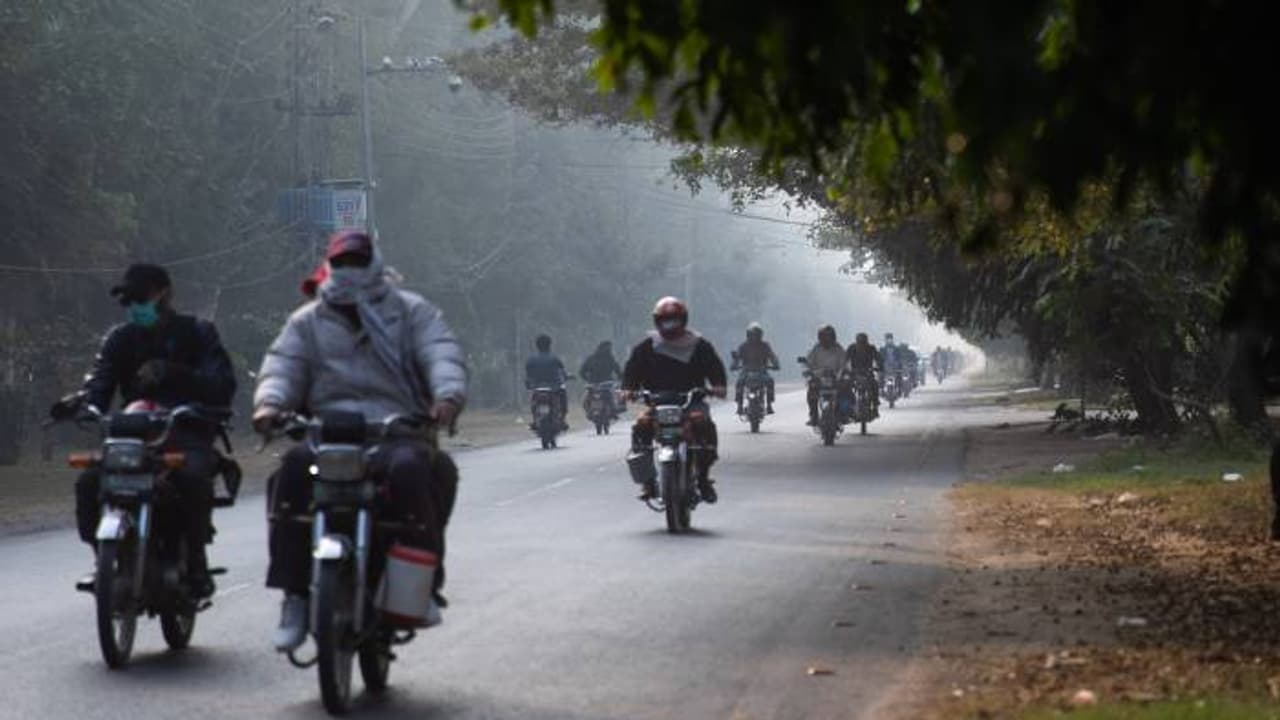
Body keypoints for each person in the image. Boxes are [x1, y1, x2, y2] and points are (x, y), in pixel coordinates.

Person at [253, 230, 466, 652]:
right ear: (331, 266)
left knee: (416, 473)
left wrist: (446, 398)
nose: (349, 271)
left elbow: (440, 353)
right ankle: (294, 595)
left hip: (397, 429)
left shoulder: (411, 312)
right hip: (328, 431)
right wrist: (270, 405)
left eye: (357, 262)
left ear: (373, 263)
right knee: (291, 473)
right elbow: (283, 366)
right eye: (342, 262)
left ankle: (417, 589)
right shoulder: (307, 320)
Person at [50, 263, 236, 599]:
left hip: (185, 431)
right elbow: (100, 382)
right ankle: (106, 561)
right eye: (128, 301)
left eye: (140, 298)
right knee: (90, 483)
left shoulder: (199, 332)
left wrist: (173, 373)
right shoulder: (120, 339)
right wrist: (84, 403)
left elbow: (221, 385)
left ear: (164, 293)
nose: (135, 307)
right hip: (132, 437)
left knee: (193, 478)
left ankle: (195, 562)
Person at [622, 296, 727, 502]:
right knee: (642, 426)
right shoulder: (647, 347)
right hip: (657, 403)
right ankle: (647, 482)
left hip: (690, 401)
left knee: (703, 424)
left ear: (683, 320)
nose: (669, 325)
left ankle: (703, 478)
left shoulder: (699, 346)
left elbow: (715, 368)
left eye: (674, 320)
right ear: (657, 321)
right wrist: (628, 389)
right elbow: (631, 371)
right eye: (665, 320)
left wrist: (718, 386)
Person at [732, 322, 780, 415]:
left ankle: (769, 405)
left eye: (756, 335)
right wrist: (734, 365)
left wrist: (776, 365)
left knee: (770, 381)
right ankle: (739, 406)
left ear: (760, 335)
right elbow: (737, 357)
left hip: (761, 371)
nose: (754, 337)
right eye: (752, 335)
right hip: (746, 371)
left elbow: (772, 356)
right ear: (748, 335)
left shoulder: (765, 345)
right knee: (739, 382)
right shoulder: (743, 346)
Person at [525, 334, 569, 430]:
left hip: (537, 387)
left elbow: (528, 375)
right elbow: (563, 372)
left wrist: (528, 384)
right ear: (550, 345)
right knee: (563, 400)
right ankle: (562, 419)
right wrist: (566, 377)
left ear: (536, 345)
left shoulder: (531, 359)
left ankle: (535, 420)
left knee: (533, 402)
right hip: (554, 387)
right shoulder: (555, 358)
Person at [804, 325, 847, 426]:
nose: (827, 339)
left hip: (835, 378)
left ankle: (843, 414)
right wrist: (808, 371)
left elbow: (844, 363)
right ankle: (813, 415)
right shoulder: (816, 349)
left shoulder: (838, 349)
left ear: (833, 337)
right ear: (820, 337)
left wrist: (842, 374)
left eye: (829, 336)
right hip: (819, 378)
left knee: (845, 392)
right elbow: (809, 362)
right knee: (812, 393)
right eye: (824, 336)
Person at [579, 340, 624, 418]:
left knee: (586, 399)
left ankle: (590, 411)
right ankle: (613, 411)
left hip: (593, 383)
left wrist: (587, 379)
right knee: (613, 394)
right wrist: (621, 377)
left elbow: (582, 371)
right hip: (606, 383)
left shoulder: (591, 358)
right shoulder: (610, 358)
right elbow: (617, 370)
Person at [846, 332, 883, 413]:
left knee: (874, 385)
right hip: (854, 373)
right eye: (860, 342)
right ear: (856, 341)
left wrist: (879, 367)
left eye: (863, 342)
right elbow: (844, 359)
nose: (861, 344)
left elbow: (878, 358)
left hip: (868, 373)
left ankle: (875, 405)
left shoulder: (871, 348)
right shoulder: (852, 348)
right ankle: (848, 405)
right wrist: (845, 369)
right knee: (846, 386)